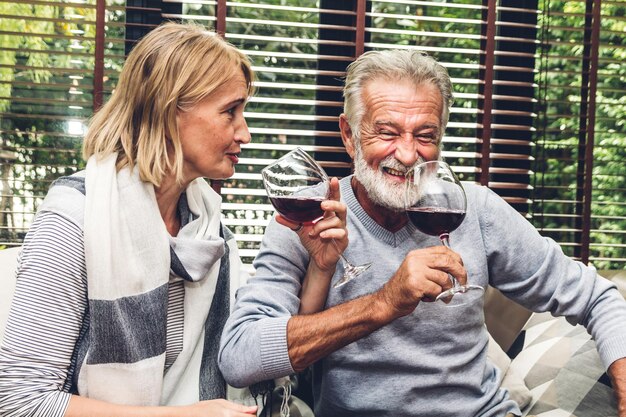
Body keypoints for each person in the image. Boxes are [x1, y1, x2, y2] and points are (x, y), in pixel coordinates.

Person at [218, 49, 626, 417]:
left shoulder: (475, 209)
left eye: (425, 136)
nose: (409, 154)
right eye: (388, 132)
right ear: (348, 134)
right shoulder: (309, 218)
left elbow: (597, 297)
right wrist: (385, 302)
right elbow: (240, 356)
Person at [0, 22, 347, 417]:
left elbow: (260, 361)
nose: (245, 133)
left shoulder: (207, 230)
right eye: (230, 112)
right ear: (170, 109)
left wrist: (321, 268)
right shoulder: (73, 218)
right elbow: (20, 399)